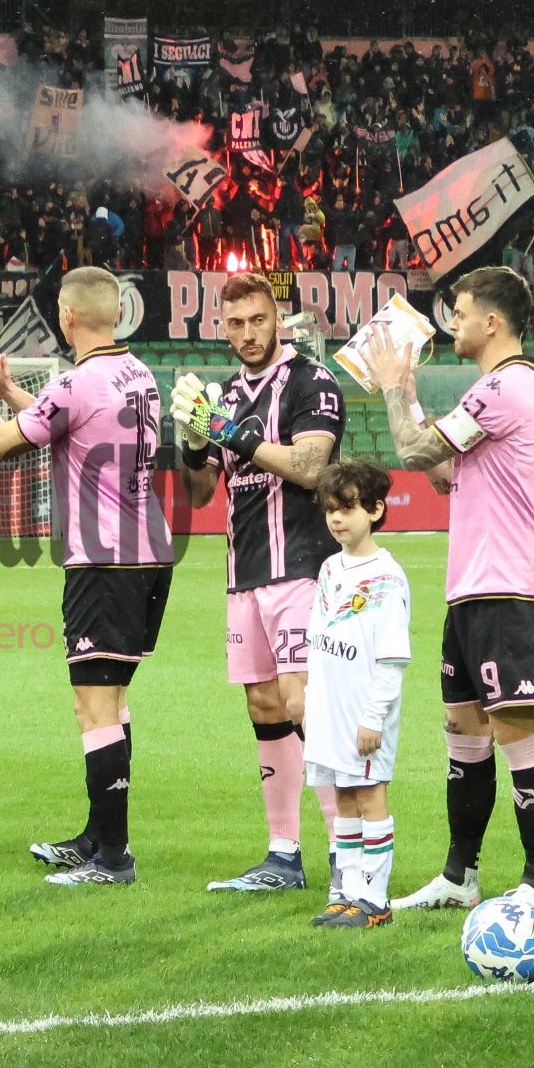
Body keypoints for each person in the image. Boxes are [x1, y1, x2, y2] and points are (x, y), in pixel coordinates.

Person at [0, 266, 170, 887]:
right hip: (148, 554)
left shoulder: (78, 382)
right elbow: (65, 418)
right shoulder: (137, 373)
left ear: (66, 317)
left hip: (103, 562)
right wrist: (11, 386)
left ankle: (115, 859)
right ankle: (98, 837)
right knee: (111, 702)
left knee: (93, 706)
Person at [368, 266, 534, 917]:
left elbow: (410, 448)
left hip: (512, 587)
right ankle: (460, 875)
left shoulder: (508, 386)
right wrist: (417, 404)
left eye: (458, 310)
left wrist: (397, 388)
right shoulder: (499, 390)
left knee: (514, 729)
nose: (450, 321)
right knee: (464, 727)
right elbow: (446, 472)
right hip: (475, 588)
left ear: (492, 321)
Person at [174, 272, 349, 898]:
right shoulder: (224, 393)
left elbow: (309, 466)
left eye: (257, 321)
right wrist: (194, 442)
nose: (247, 334)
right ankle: (283, 854)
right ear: (222, 327)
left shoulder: (309, 380)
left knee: (306, 706)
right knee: (264, 708)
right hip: (243, 573)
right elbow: (199, 495)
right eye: (235, 323)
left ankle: (344, 850)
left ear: (277, 319)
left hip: (302, 566)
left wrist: (233, 432)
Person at [302, 461, 412, 929]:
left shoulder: (388, 577)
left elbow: (391, 660)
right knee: (342, 798)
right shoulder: (329, 568)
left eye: (347, 508)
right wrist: (312, 703)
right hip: (329, 710)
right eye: (331, 509)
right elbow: (316, 640)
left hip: (364, 715)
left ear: (375, 510)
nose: (337, 519)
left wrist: (373, 717)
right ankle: (345, 890)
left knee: (369, 794)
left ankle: (375, 895)